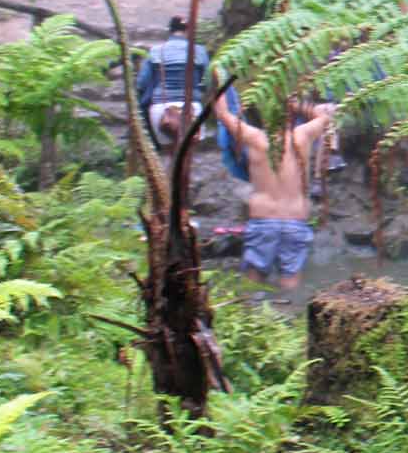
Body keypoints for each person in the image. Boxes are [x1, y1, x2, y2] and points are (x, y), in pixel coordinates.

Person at [211, 97, 335, 291]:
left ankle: (253, 317)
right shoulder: (302, 135)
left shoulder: (255, 137)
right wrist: (298, 105)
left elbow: (223, 114)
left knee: (252, 285)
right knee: (290, 284)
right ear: (291, 117)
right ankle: (289, 316)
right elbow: (327, 114)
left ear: (265, 118)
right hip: (295, 222)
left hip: (263, 222)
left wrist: (219, 81)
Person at [133, 17, 210, 148]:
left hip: (161, 109)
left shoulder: (156, 50)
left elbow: (141, 83)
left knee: (169, 152)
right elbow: (209, 80)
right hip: (192, 107)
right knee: (188, 152)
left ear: (170, 31)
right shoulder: (199, 51)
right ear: (188, 30)